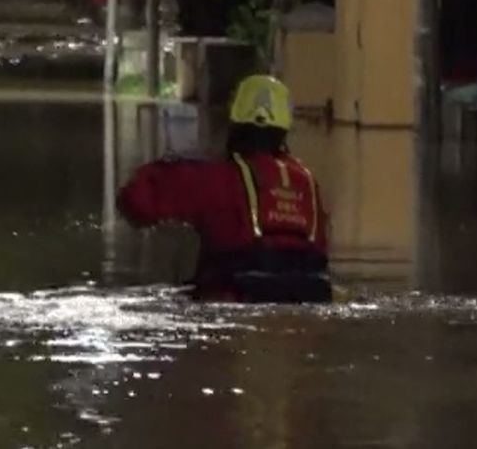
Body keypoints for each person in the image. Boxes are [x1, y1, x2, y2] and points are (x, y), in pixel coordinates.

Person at [117, 75, 330, 303]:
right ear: (284, 130)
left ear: (233, 124)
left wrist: (171, 164)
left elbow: (135, 201)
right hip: (309, 300)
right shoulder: (307, 184)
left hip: (235, 299)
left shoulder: (214, 177)